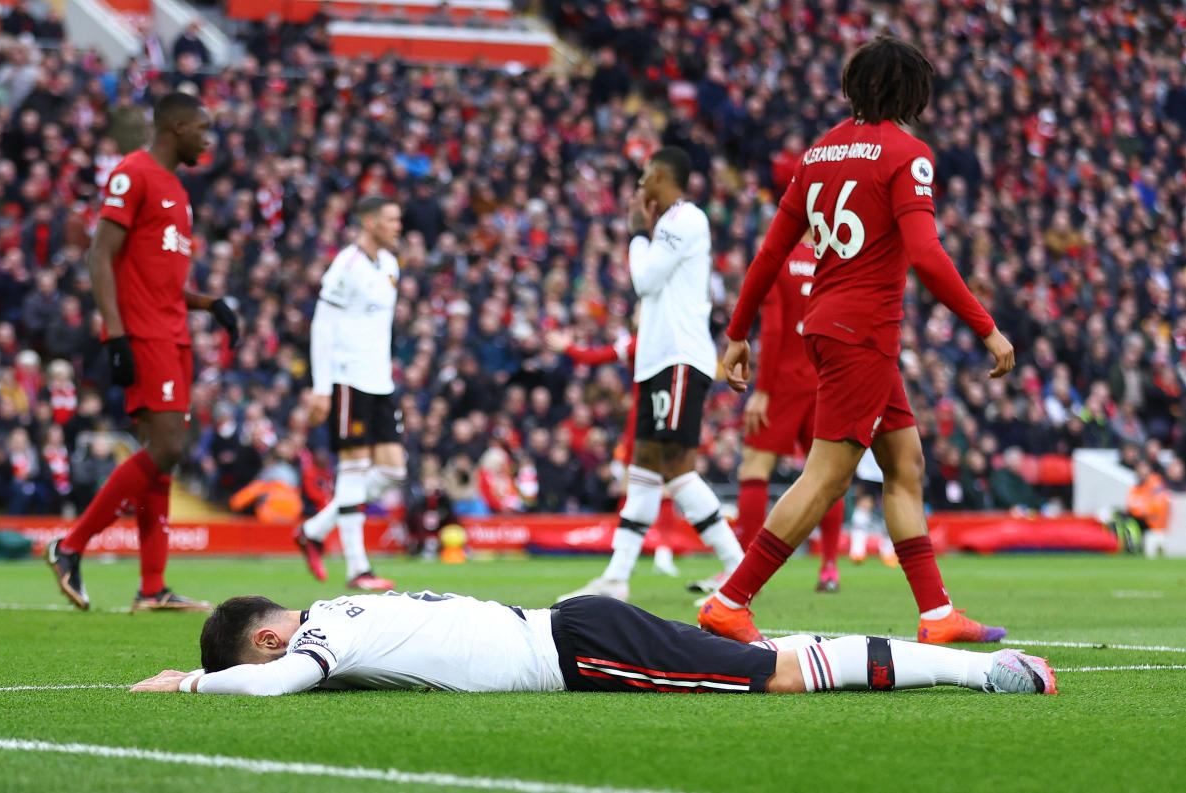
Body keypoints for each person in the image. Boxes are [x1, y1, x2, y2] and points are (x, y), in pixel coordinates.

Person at [700, 37, 1016, 644]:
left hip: (827, 326)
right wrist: (985, 325)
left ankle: (937, 614)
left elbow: (770, 253)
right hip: (862, 334)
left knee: (905, 463)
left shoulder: (817, 153)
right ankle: (730, 600)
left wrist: (737, 334)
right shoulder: (907, 153)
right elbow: (924, 251)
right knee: (826, 477)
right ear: (911, 92)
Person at [45, 92, 239, 613]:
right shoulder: (134, 173)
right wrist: (115, 333)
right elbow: (99, 255)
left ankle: (152, 588)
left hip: (174, 331)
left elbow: (163, 279)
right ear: (175, 126)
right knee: (168, 448)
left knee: (163, 458)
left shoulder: (178, 189)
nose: (207, 138)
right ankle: (70, 546)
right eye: (202, 127)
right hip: (144, 332)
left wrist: (210, 304)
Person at [130, 591, 1057, 696]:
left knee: (773, 675)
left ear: (266, 636)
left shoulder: (318, 637)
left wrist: (186, 686)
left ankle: (987, 671)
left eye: (265, 652)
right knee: (767, 652)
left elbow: (277, 684)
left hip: (576, 652)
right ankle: (980, 665)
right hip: (574, 624)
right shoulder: (340, 603)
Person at [560, 147, 745, 602]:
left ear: (663, 178)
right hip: (658, 362)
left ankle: (740, 572)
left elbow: (644, 281)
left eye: (644, 180)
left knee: (675, 468)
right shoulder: (671, 224)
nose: (639, 189)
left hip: (680, 358)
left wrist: (638, 235)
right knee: (642, 469)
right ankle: (617, 577)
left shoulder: (685, 220)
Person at [293, 196, 407, 591]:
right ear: (370, 222)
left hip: (380, 381)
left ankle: (314, 529)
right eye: (392, 219)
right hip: (348, 379)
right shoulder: (347, 265)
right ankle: (358, 568)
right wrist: (322, 388)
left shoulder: (390, 264)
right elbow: (322, 325)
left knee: (393, 469)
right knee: (354, 470)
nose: (398, 226)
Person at [734, 233, 845, 592]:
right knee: (829, 473)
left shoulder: (777, 256)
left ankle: (744, 569)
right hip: (827, 375)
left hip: (783, 380)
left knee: (755, 468)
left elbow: (774, 327)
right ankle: (829, 567)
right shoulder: (837, 255)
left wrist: (762, 392)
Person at [546, 324, 681, 577]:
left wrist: (568, 347)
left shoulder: (651, 339)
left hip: (653, 422)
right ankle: (639, 554)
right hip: (656, 421)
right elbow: (598, 357)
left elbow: (596, 356)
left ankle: (647, 554)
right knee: (643, 489)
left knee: (659, 489)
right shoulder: (648, 341)